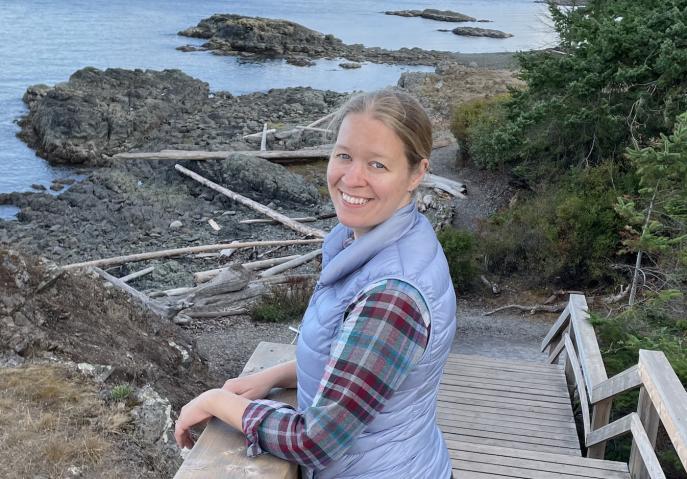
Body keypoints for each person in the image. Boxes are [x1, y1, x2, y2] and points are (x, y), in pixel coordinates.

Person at [174, 89, 457, 478]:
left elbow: (316, 441)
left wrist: (217, 402)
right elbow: (353, 363)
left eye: (377, 164)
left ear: (416, 173)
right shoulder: (386, 242)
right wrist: (272, 376)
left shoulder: (394, 295)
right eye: (344, 156)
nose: (351, 178)